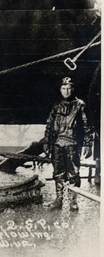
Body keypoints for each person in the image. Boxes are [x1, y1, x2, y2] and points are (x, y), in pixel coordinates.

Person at [43, 77, 93, 211]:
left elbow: (87, 125)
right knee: (58, 173)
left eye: (69, 88)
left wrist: (88, 144)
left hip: (72, 143)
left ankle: (72, 201)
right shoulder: (56, 106)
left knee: (73, 173)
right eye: (64, 88)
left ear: (73, 89)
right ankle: (59, 199)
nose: (66, 91)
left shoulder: (80, 104)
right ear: (60, 89)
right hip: (57, 144)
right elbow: (49, 125)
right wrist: (47, 142)